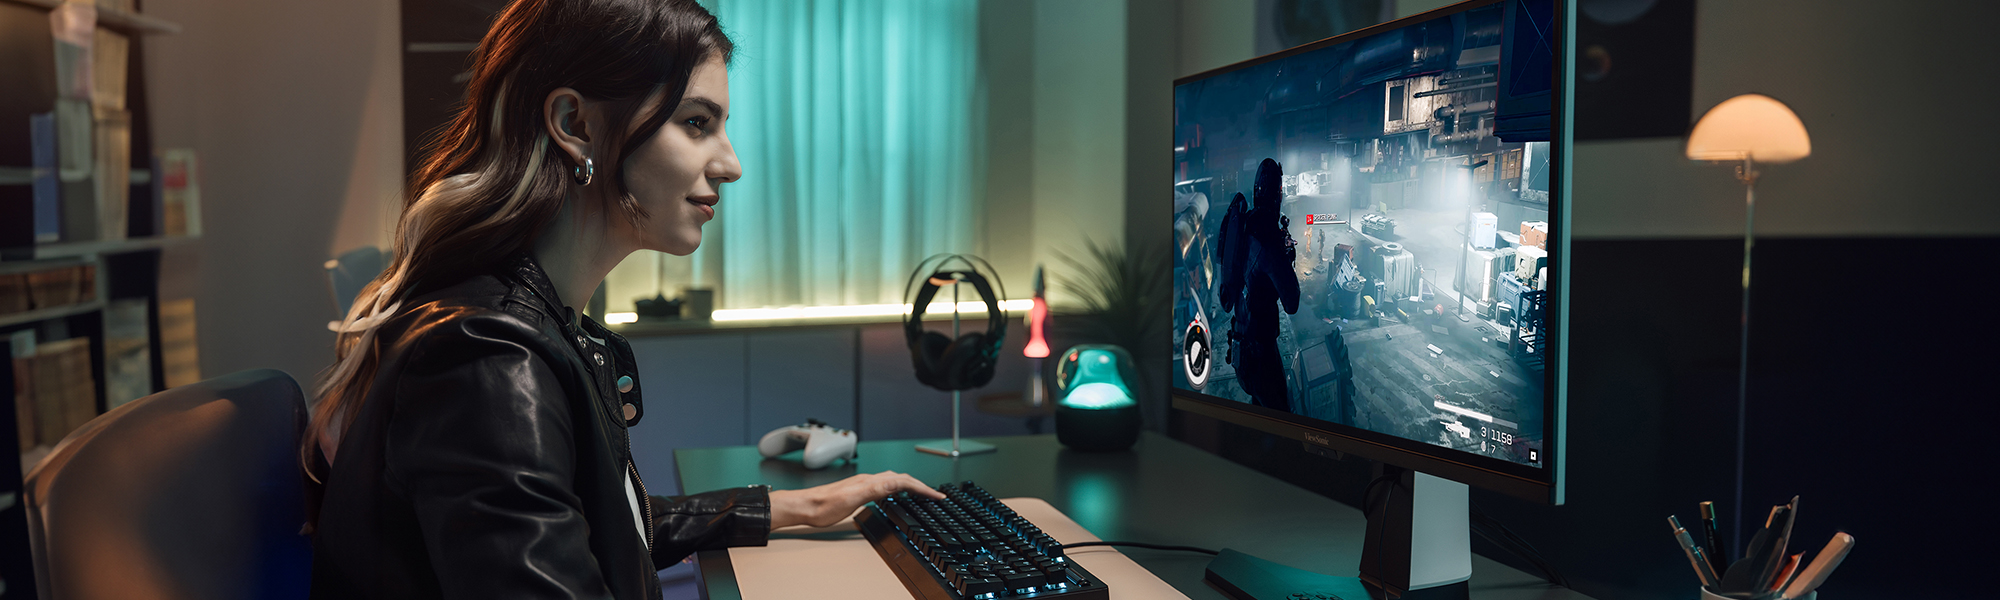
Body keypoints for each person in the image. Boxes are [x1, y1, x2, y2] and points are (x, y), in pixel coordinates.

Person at [304, 1, 942, 598]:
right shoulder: (489, 360)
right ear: (574, 125)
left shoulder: (530, 325)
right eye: (696, 124)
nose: (730, 164)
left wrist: (800, 506)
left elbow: (600, 528)